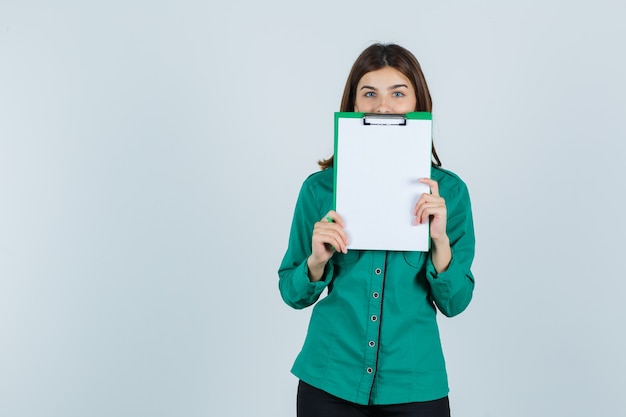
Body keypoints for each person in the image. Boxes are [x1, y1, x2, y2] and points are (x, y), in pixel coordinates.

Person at [278, 43, 475, 417]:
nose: (382, 106)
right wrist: (316, 262)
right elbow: (292, 292)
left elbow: (456, 302)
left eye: (398, 94)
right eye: (369, 94)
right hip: (328, 380)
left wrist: (440, 242)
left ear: (419, 104)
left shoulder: (449, 193)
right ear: (352, 105)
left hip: (415, 384)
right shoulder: (319, 190)